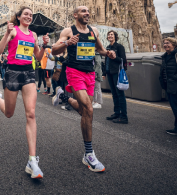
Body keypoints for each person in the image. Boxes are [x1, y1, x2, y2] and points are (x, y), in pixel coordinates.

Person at [52, 6, 116, 173]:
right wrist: (67, 42)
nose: (87, 13)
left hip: (89, 73)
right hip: (74, 72)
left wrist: (108, 53)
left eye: (88, 11)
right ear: (75, 15)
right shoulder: (68, 30)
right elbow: (53, 49)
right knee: (89, 109)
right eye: (83, 11)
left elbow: (99, 49)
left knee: (83, 110)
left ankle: (64, 98)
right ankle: (89, 153)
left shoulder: (94, 30)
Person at [0, 6, 49, 179]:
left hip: (29, 74)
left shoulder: (33, 35)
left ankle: (32, 160)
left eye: (31, 15)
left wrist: (44, 46)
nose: (29, 17)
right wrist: (6, 35)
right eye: (26, 14)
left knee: (31, 114)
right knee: (9, 113)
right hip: (13, 72)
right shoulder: (13, 31)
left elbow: (37, 57)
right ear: (18, 17)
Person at [103, 30, 128, 123]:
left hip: (117, 72)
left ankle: (124, 116)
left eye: (112, 35)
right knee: (114, 94)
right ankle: (117, 113)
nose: (110, 36)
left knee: (120, 94)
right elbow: (106, 61)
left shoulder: (119, 47)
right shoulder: (108, 47)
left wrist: (114, 57)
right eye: (109, 35)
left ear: (115, 36)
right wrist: (104, 73)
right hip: (109, 72)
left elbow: (123, 60)